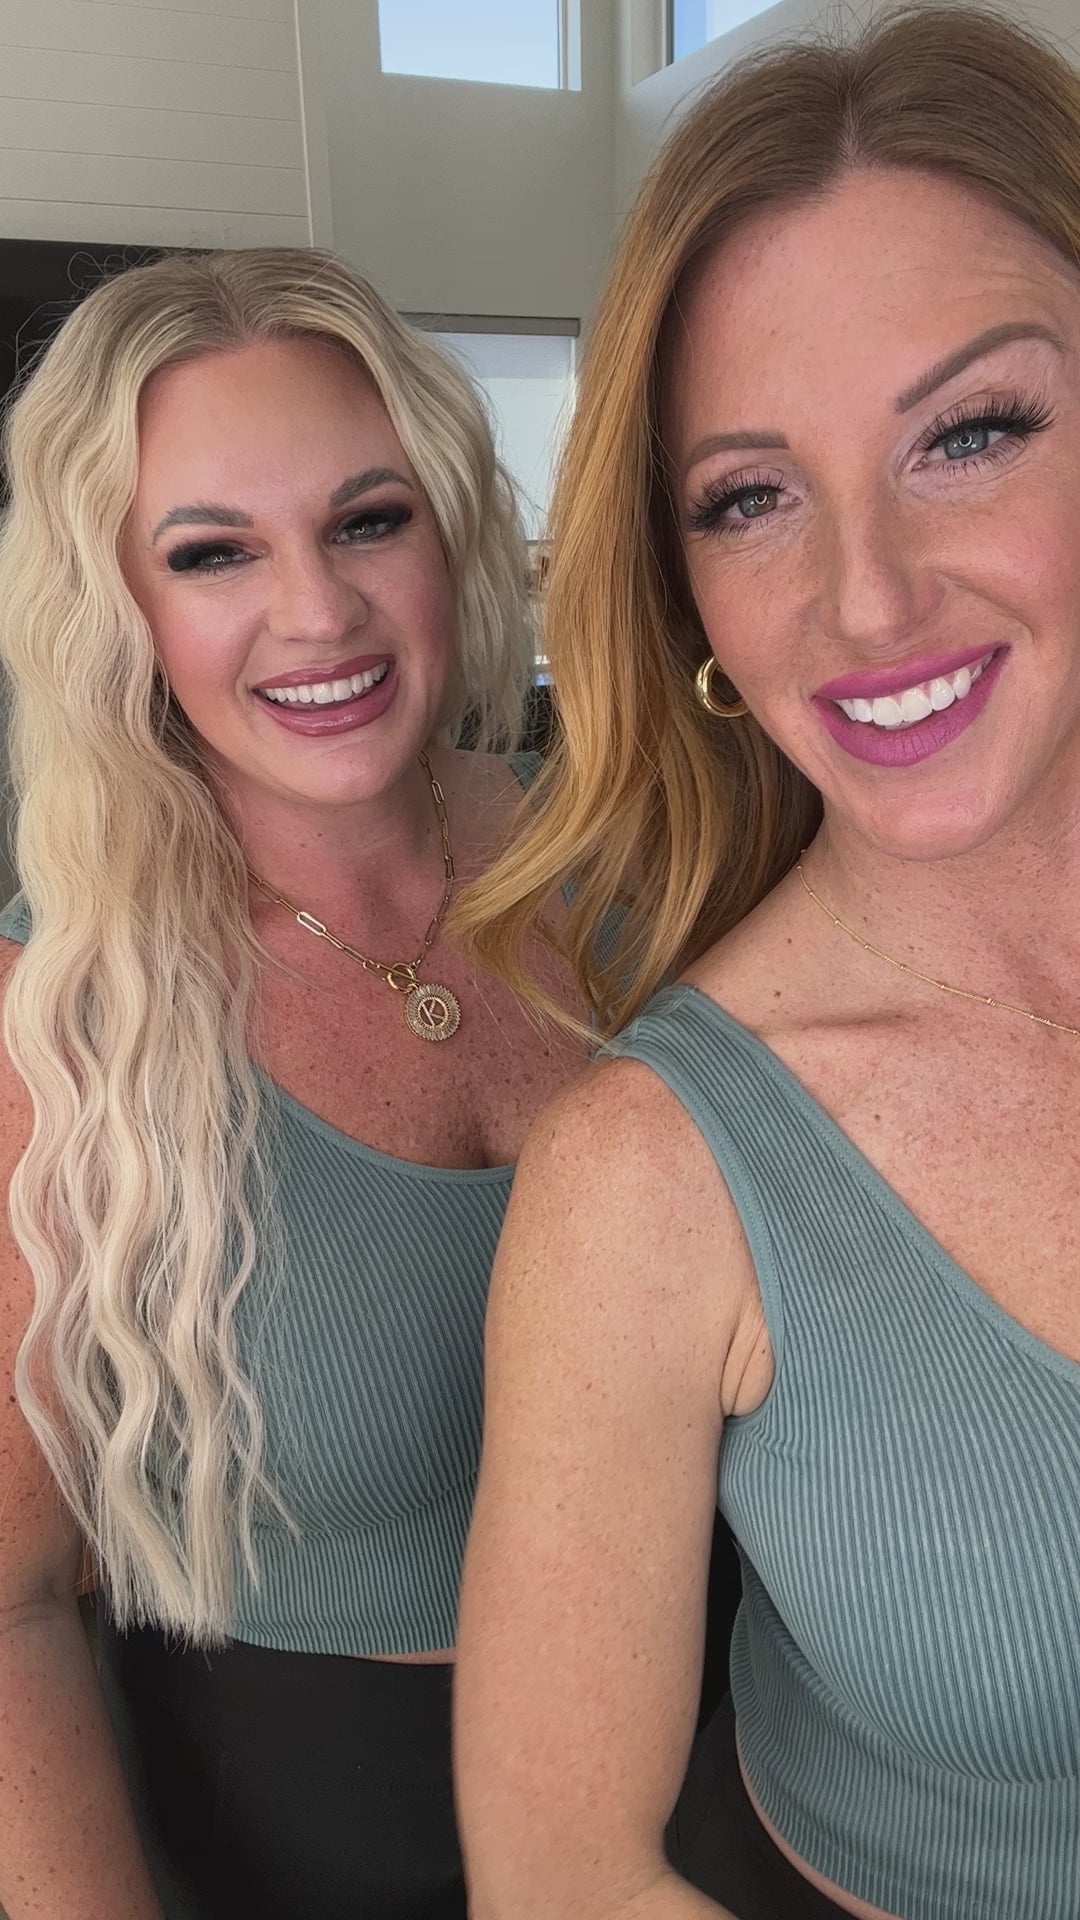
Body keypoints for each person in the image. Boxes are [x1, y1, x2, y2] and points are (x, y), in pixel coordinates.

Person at [452, 10, 1080, 1918]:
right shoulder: (645, 1180)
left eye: (970, 434)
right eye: (750, 496)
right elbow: (564, 1877)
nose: (865, 597)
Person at [0, 247, 588, 1920]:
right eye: (212, 552)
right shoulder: (56, 1023)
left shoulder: (628, 873)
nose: (319, 612)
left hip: (732, 1790)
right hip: (313, 1859)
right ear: (119, 606)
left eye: (367, 520)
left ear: (449, 529)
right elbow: (6, 1608)